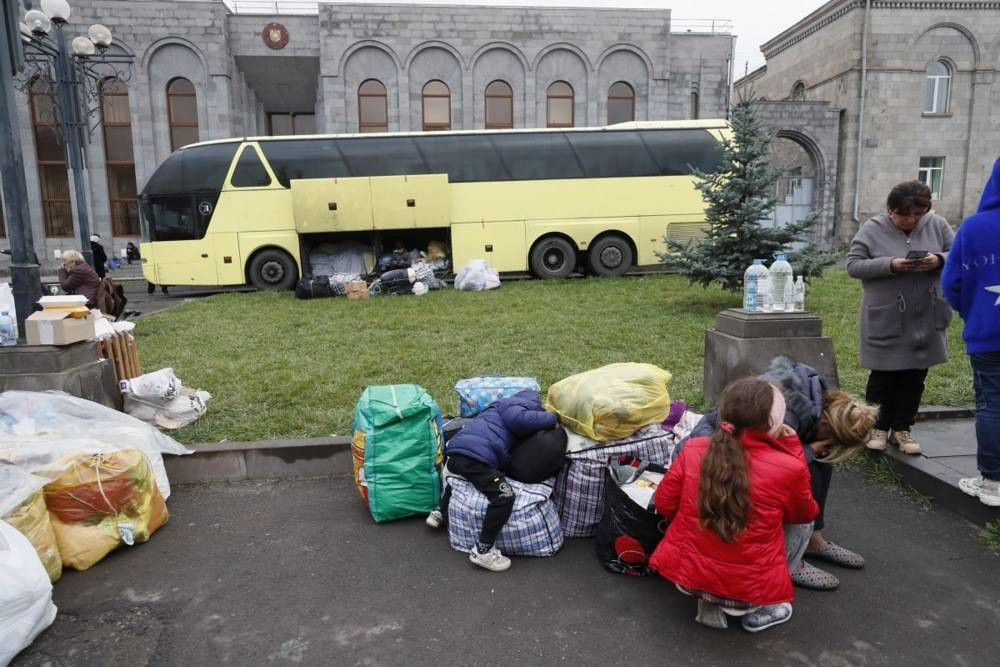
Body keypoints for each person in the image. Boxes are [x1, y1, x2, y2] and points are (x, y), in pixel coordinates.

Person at [686, 357, 878, 590]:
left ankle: (813, 540)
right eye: (831, 441)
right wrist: (806, 452)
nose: (828, 446)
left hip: (733, 449)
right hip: (721, 457)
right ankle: (789, 560)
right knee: (795, 475)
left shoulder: (814, 395)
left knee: (819, 462)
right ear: (826, 425)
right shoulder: (786, 417)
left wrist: (811, 451)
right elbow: (761, 464)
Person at [650, 378, 819, 632]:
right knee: (806, 523)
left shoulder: (694, 449)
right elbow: (803, 513)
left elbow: (663, 504)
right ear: (773, 425)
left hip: (688, 576)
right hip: (747, 590)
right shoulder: (788, 468)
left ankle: (708, 602)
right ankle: (761, 611)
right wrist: (794, 449)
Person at [846, 180, 954, 455]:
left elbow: (957, 255)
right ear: (890, 209)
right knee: (883, 377)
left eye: (919, 214)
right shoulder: (872, 229)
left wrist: (939, 260)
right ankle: (878, 428)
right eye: (905, 214)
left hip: (926, 316)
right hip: (888, 318)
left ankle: (902, 429)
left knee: (915, 377)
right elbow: (854, 265)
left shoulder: (938, 225)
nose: (912, 220)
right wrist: (891, 264)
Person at [425, 390, 558, 572]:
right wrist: (552, 418)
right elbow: (520, 421)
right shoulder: (515, 408)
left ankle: (440, 512)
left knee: (460, 477)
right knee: (504, 496)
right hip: (475, 458)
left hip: (456, 454)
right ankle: (484, 550)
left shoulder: (494, 408)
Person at [942, 157, 1000, 507]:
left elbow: (952, 283)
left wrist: (971, 312)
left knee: (992, 403)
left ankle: (993, 481)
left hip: (987, 331)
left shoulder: (975, 227)